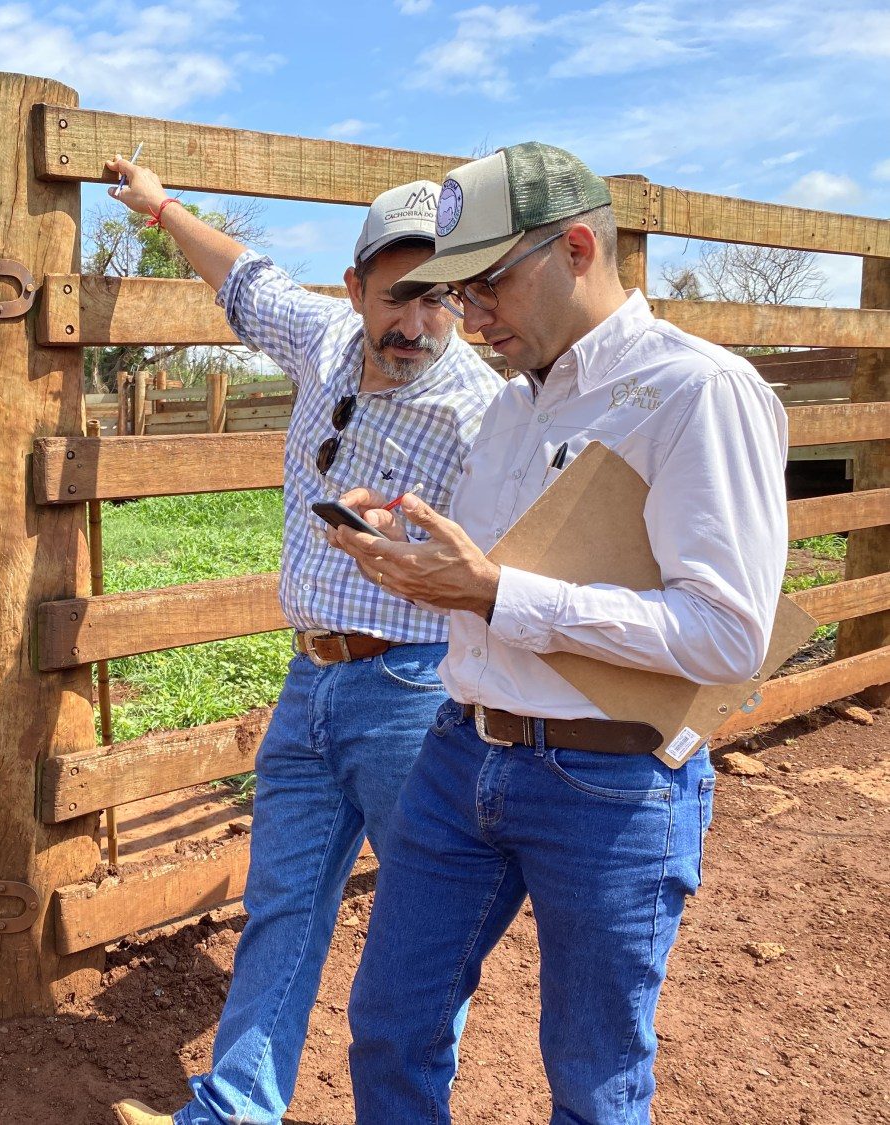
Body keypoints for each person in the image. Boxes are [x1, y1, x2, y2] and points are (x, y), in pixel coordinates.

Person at [328, 142, 787, 1123]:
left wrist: (493, 593)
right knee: (390, 1027)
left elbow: (729, 639)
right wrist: (416, 554)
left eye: (489, 283)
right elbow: (506, 573)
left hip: (609, 782)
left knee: (593, 1079)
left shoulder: (698, 393)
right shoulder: (512, 405)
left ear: (577, 247)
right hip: (464, 755)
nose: (472, 315)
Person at [101, 158, 502, 1125]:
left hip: (414, 690)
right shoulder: (322, 337)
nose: (416, 323)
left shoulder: (484, 410)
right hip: (310, 682)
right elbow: (243, 275)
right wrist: (160, 209)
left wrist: (415, 545)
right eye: (397, 295)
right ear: (356, 287)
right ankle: (234, 1107)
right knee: (281, 905)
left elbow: (514, 559)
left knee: (421, 930)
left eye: (440, 298)